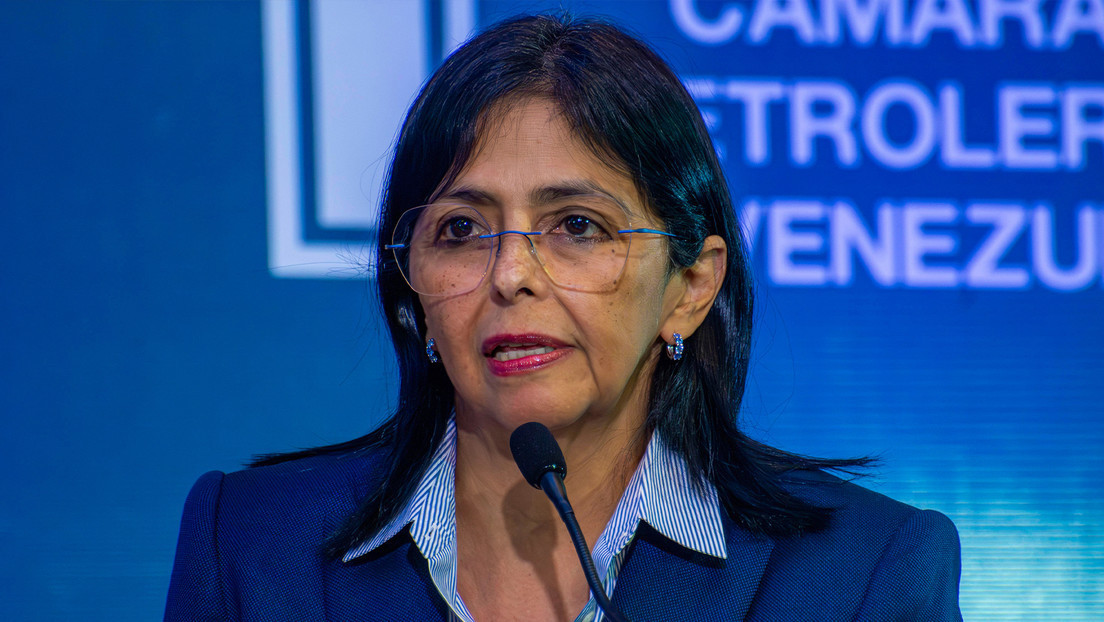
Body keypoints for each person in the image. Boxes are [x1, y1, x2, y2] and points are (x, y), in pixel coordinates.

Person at [165, 14, 961, 622]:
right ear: (415, 292)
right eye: (461, 230)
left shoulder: (859, 576)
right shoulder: (251, 548)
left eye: (577, 226)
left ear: (689, 287)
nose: (510, 275)